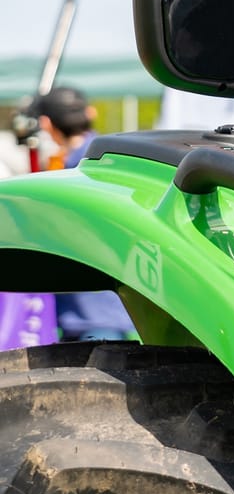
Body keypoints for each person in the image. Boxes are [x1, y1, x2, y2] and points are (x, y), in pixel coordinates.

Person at [23, 86, 135, 341]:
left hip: (89, 314)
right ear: (90, 113)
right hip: (118, 307)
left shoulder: (71, 174)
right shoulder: (115, 160)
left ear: (47, 124)